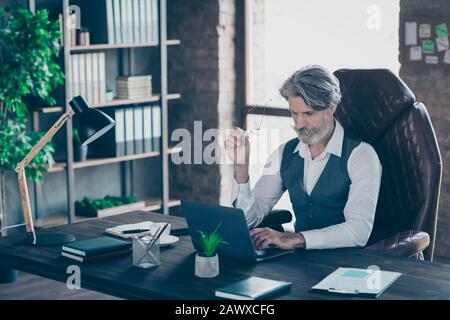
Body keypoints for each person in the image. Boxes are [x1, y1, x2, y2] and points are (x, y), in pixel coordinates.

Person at [225, 65, 382, 251]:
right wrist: (241, 167)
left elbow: (359, 231)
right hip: (298, 262)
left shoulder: (361, 155)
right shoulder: (284, 153)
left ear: (331, 108)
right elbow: (249, 219)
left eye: (308, 114)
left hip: (347, 264)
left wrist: (295, 239)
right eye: (294, 113)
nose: (299, 124)